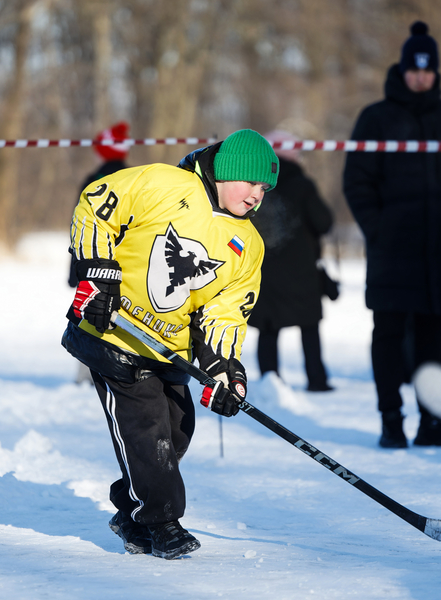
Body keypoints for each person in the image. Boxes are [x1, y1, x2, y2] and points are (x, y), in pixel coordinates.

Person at [60, 129, 278, 559]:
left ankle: (133, 513)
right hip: (115, 338)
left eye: (265, 188)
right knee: (147, 434)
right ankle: (163, 522)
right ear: (228, 171)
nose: (258, 194)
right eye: (252, 181)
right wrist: (99, 272)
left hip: (170, 349)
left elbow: (226, 310)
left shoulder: (248, 245)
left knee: (176, 433)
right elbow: (95, 205)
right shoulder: (166, 184)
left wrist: (223, 368)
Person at [343, 21, 441, 449]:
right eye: (414, 69)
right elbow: (357, 181)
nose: (421, 76)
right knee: (387, 333)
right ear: (402, 70)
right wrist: (379, 228)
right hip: (392, 249)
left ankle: (430, 422)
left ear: (436, 73)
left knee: (430, 338)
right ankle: (391, 420)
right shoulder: (376, 118)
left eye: (428, 70)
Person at [249, 130, 335, 392]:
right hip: (301, 270)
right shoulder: (302, 184)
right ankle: (316, 379)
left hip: (265, 267)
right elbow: (323, 222)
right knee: (309, 324)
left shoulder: (254, 185)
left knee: (268, 327)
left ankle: (270, 381)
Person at [70, 122, 133, 384]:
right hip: (127, 265)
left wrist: (76, 268)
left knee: (89, 314)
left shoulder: (92, 181)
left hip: (93, 262)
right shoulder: (135, 179)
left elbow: (80, 226)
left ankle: (87, 371)